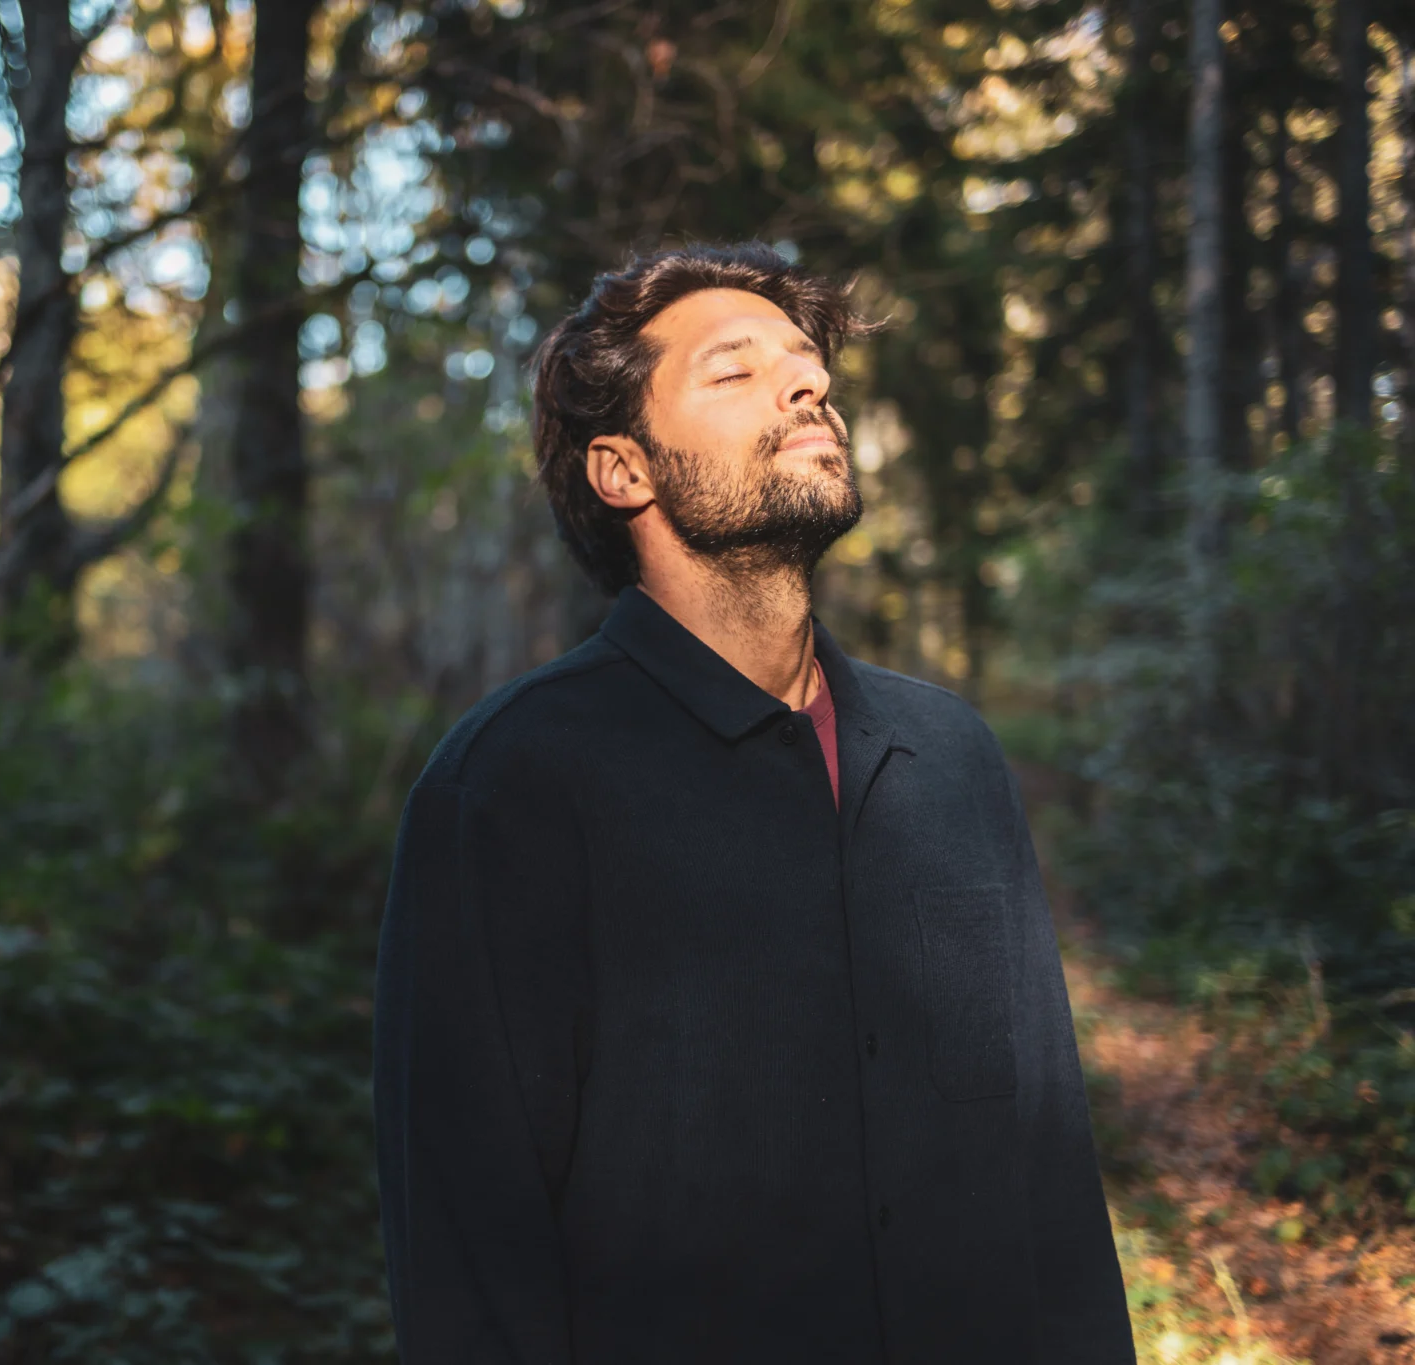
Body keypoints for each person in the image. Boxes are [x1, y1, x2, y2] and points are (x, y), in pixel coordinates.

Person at [371, 243, 1134, 1363]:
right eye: (733, 372)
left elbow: (1048, 1174)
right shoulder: (513, 783)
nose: (805, 384)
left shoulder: (951, 755)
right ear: (622, 471)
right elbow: (468, 1255)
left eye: (804, 363)